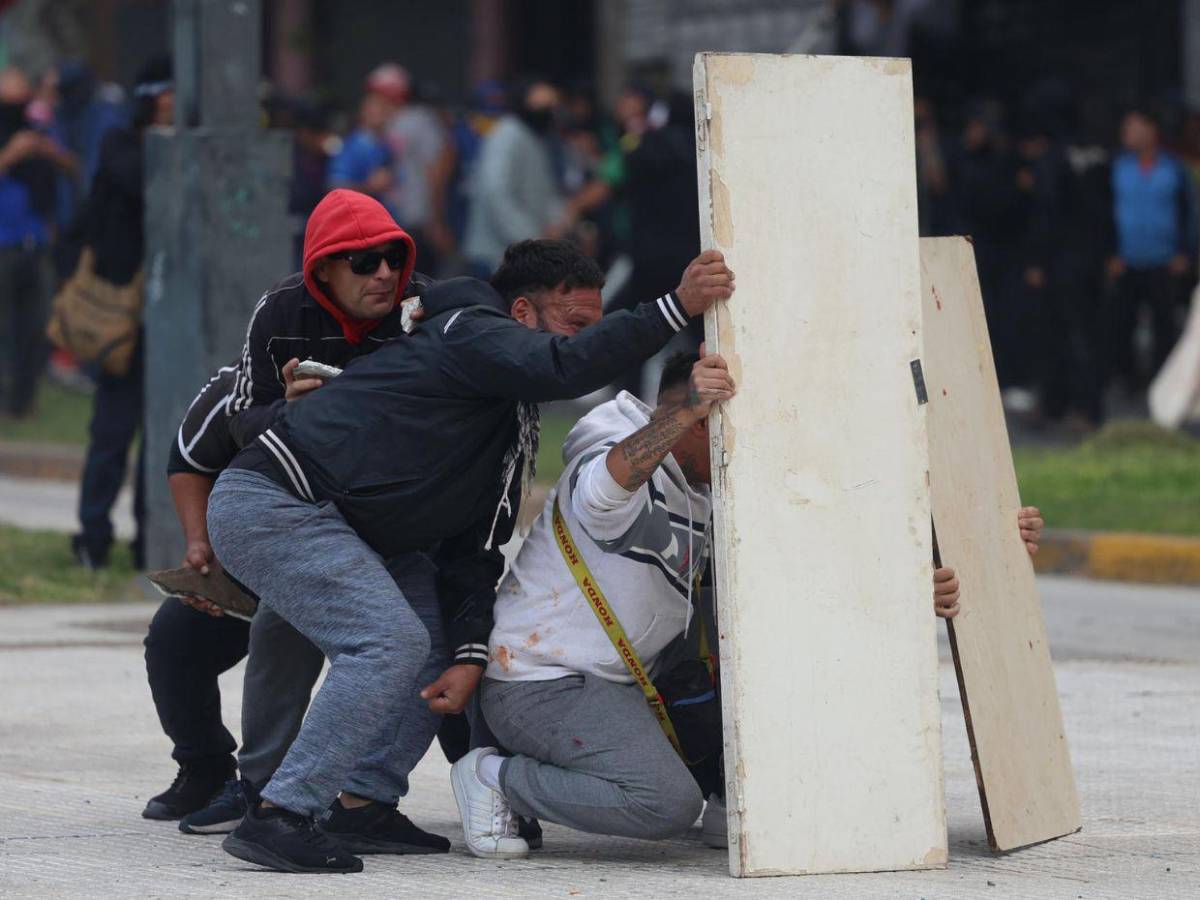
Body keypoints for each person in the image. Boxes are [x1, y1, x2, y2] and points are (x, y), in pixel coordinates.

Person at [205, 239, 733, 873]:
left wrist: (470, 652)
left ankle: (360, 802)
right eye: (573, 326)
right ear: (520, 314)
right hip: (278, 499)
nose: (583, 343)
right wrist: (675, 307)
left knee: (429, 644)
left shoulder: (505, 411)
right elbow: (567, 367)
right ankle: (281, 812)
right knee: (387, 641)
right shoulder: (469, 330)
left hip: (355, 527)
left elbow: (476, 544)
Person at [455, 352, 1046, 857]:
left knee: (784, 663)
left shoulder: (714, 483)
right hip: (541, 683)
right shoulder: (613, 444)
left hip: (629, 683)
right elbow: (604, 495)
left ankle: (725, 789)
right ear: (688, 415)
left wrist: (982, 540)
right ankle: (494, 777)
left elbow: (811, 565)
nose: (745, 439)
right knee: (661, 805)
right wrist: (686, 409)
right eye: (723, 421)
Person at [140, 187, 436, 829]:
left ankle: (380, 797)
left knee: (445, 633)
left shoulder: (421, 312)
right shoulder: (271, 326)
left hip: (383, 520)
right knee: (176, 640)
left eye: (393, 256)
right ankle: (219, 772)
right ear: (323, 269)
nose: (384, 272)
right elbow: (193, 453)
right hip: (281, 518)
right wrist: (201, 545)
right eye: (363, 262)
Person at [72, 57, 172, 569]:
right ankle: (92, 536)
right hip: (123, 315)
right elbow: (137, 187)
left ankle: (145, 542)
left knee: (163, 440)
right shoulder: (123, 146)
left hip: (168, 322)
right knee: (112, 433)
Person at [0, 66, 75, 418]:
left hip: (37, 241)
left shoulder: (41, 129)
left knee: (35, 327)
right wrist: (12, 154)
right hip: (4, 244)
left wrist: (44, 149)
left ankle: (24, 401)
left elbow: (73, 167)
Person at [1108, 107, 1199, 388]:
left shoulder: (1174, 168)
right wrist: (1110, 254)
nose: (1128, 134)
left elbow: (1189, 213)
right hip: (1127, 260)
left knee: (1165, 328)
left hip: (1164, 260)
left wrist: (1186, 253)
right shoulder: (1118, 167)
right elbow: (1105, 214)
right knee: (1122, 325)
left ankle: (1165, 383)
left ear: (1151, 130)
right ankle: (1129, 381)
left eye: (1134, 128)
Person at [462, 79, 565, 276]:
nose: (549, 110)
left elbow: (544, 190)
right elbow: (497, 192)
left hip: (522, 252)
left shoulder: (535, 137)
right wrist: (530, 239)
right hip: (496, 253)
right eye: (541, 104)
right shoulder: (507, 135)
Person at [325, 66, 396, 207]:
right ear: (364, 111)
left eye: (386, 107)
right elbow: (336, 189)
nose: (383, 112)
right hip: (360, 221)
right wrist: (370, 187)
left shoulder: (384, 145)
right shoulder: (352, 146)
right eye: (377, 107)